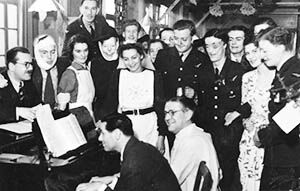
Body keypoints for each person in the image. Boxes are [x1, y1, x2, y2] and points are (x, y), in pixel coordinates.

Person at [76, 113, 181, 191]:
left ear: (117, 134)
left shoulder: (134, 160)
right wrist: (112, 179)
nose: (99, 138)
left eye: (103, 133)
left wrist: (101, 187)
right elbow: (133, 185)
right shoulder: (138, 148)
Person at [198, 28, 248, 191]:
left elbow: (248, 102)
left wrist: (237, 114)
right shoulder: (202, 71)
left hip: (230, 134)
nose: (211, 50)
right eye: (207, 46)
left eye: (215, 45)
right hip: (208, 132)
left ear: (224, 46)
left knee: (229, 178)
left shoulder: (239, 71)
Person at [97, 43, 167, 154]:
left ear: (141, 56)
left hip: (150, 126)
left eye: (134, 58)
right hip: (126, 126)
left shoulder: (153, 75)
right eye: (126, 59)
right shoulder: (119, 75)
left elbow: (160, 107)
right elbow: (110, 103)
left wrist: (161, 135)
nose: (131, 62)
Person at [228, 36, 275, 191]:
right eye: (247, 53)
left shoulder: (278, 76)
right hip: (250, 137)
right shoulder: (247, 78)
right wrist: (245, 122)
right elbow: (245, 108)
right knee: (247, 181)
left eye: (254, 51)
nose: (251, 57)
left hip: (270, 136)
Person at [256, 27, 300, 190]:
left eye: (265, 50)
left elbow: (289, 121)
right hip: (281, 155)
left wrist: (261, 136)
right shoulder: (284, 72)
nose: (261, 55)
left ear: (281, 47)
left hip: (288, 160)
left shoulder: (293, 75)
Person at [165, 96, 221, 191]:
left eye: (172, 113)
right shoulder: (197, 134)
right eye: (166, 113)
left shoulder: (191, 142)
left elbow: (170, 182)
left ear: (188, 114)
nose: (167, 118)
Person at [58, 34, 95, 123]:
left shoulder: (87, 70)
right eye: (78, 51)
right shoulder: (70, 73)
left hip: (89, 114)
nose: (83, 55)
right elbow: (62, 105)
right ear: (72, 52)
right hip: (77, 116)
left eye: (85, 50)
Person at [0, 47, 40, 124]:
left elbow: (37, 104)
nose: (31, 68)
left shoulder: (28, 82)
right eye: (26, 64)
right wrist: (17, 112)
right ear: (12, 66)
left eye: (31, 64)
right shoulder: (1, 82)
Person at [32, 34, 70, 109]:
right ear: (37, 53)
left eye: (52, 52)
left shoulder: (64, 64)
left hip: (61, 112)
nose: (49, 57)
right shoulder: (30, 68)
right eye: (44, 53)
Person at [91, 26, 119, 112]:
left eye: (112, 45)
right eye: (106, 46)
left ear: (117, 44)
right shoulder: (95, 63)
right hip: (101, 108)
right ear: (100, 45)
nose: (109, 49)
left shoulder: (122, 61)